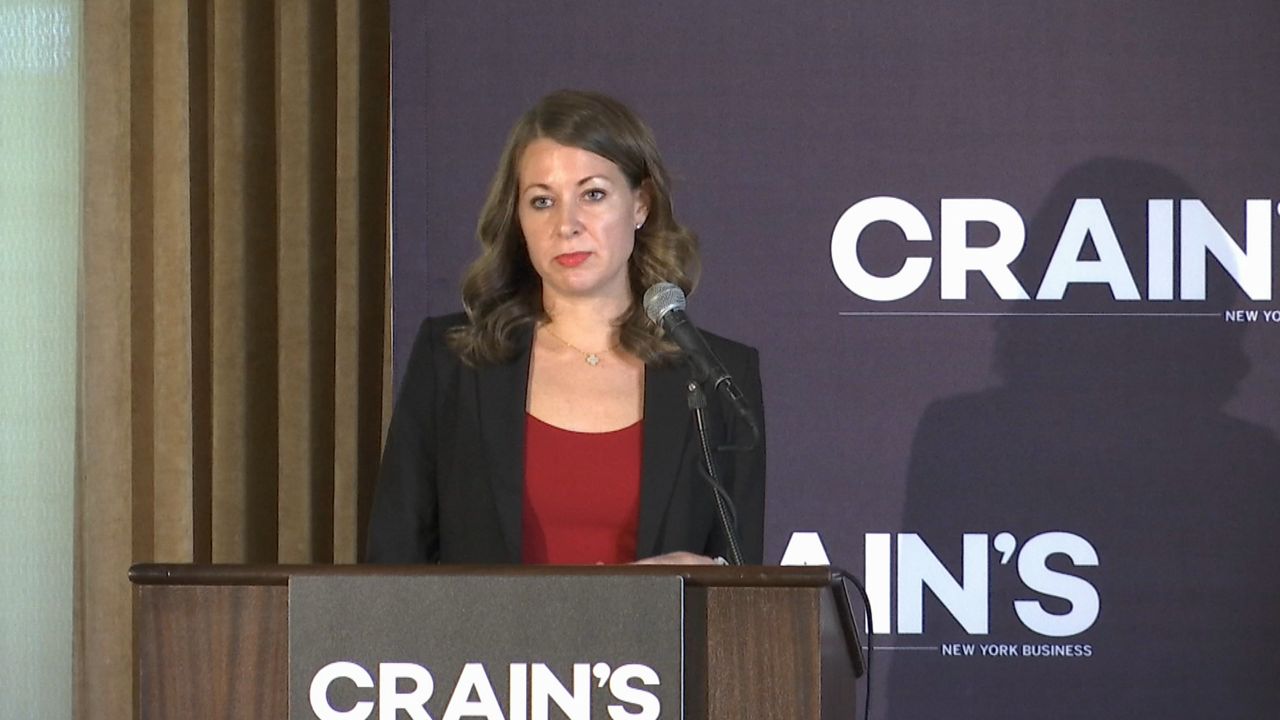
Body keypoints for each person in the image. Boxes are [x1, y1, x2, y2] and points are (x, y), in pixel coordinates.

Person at [366, 89, 765, 565]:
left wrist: (693, 586)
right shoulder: (452, 361)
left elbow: (744, 594)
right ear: (517, 218)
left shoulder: (719, 376)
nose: (566, 224)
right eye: (541, 201)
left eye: (593, 194)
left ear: (641, 204)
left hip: (654, 644)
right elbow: (390, 572)